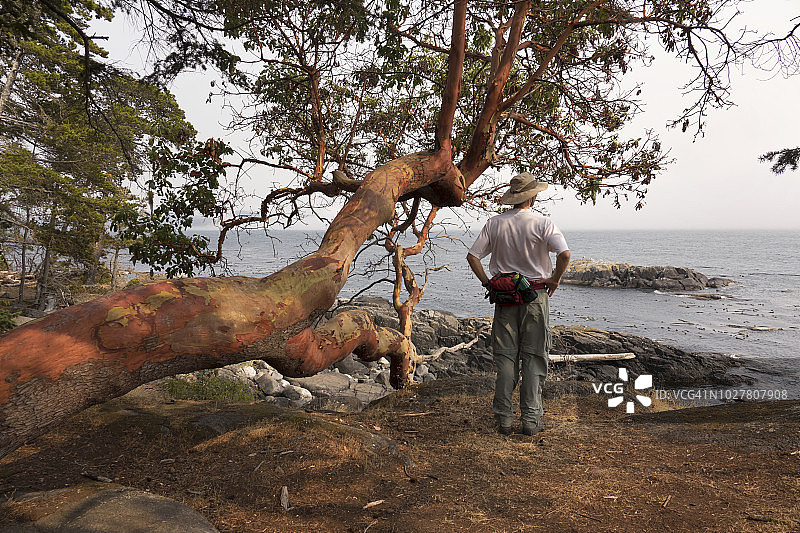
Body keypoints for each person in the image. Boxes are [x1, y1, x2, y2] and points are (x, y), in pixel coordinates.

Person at [466, 172, 571, 436]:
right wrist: (554, 280)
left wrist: (488, 284)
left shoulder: (494, 223)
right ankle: (531, 421)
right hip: (535, 296)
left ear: (513, 198)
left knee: (505, 358)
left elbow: (473, 256)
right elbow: (565, 254)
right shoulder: (543, 223)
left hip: (504, 299)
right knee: (534, 357)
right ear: (532, 196)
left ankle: (503, 419)